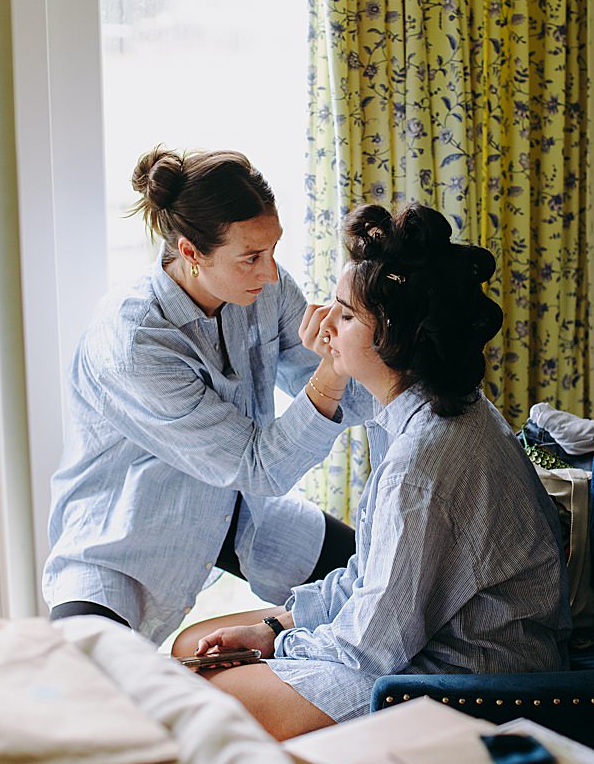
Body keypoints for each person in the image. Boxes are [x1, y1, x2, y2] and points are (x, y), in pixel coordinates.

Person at [174, 203, 571, 740]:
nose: (323, 323)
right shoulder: (422, 411)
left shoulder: (425, 462)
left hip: (459, 676)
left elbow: (372, 645)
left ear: (393, 336)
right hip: (413, 643)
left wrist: (276, 645)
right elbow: (369, 581)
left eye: (344, 314)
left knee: (198, 692)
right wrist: (269, 628)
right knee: (190, 648)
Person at [43, 148, 370, 644]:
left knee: (368, 578)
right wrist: (331, 372)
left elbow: (355, 394)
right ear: (191, 252)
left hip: (239, 509)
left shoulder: (265, 291)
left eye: (273, 249)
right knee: (95, 701)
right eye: (251, 258)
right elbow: (262, 465)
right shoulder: (135, 341)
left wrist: (370, 354)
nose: (271, 271)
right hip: (123, 532)